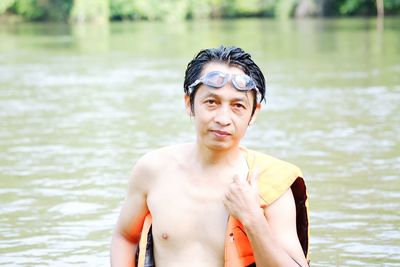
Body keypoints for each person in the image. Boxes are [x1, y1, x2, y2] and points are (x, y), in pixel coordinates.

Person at [111, 45, 309, 267]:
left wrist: (253, 219)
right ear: (189, 103)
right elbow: (125, 237)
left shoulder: (270, 184)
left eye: (238, 105)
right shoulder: (153, 170)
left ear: (253, 113)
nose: (223, 118)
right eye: (211, 102)